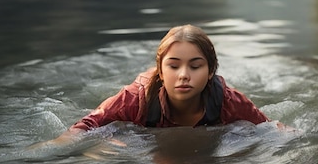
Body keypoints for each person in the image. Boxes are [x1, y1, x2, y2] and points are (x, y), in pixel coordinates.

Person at [32, 24, 289, 153]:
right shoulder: (134, 100)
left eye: (196, 66)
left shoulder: (229, 101)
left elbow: (267, 128)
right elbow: (85, 127)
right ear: (161, 71)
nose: (184, 75)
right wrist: (50, 148)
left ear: (211, 72)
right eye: (174, 66)